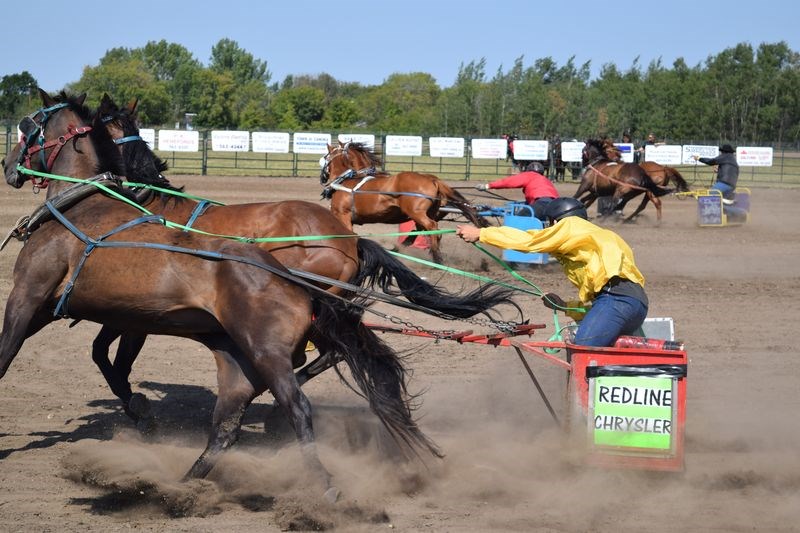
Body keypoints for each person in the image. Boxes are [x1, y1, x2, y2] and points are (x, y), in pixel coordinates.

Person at [456, 197, 649, 347]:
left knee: (582, 349)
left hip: (615, 300)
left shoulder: (570, 226)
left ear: (556, 221)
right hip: (636, 304)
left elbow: (531, 241)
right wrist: (566, 306)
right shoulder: (601, 235)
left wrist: (481, 234)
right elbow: (606, 302)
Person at [474, 161, 558, 221]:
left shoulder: (529, 175)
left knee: (519, 219)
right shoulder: (546, 180)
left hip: (541, 203)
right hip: (555, 205)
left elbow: (508, 182)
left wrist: (488, 186)